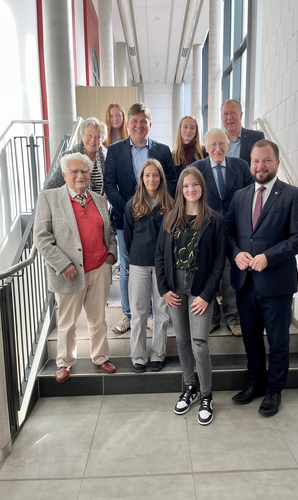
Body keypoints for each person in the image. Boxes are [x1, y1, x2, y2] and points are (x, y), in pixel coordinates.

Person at [226, 139, 298, 416]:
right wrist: (236, 253)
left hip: (276, 283)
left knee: (278, 341)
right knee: (250, 338)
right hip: (245, 283)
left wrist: (268, 257)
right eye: (255, 161)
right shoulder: (239, 196)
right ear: (250, 164)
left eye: (266, 160)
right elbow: (228, 234)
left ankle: (274, 390)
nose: (260, 166)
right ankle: (256, 382)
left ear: (277, 162)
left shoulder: (293, 195)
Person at [34, 153, 117, 382]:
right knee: (67, 321)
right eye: (74, 171)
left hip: (99, 268)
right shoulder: (49, 198)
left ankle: (100, 357)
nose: (80, 175)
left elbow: (108, 230)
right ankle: (64, 362)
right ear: (63, 174)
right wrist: (63, 265)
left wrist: (111, 253)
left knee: (97, 318)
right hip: (69, 273)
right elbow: (41, 238)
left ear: (90, 174)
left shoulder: (99, 200)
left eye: (85, 171)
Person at [155, 167, 226, 425]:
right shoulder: (170, 219)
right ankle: (190, 388)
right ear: (180, 189)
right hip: (175, 289)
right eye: (186, 186)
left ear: (201, 187)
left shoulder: (214, 220)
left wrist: (208, 296)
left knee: (199, 344)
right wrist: (164, 289)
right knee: (182, 341)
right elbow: (160, 257)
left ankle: (206, 395)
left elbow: (219, 262)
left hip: (200, 291)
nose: (190, 189)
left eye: (195, 185)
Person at [104, 102, 178, 334]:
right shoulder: (115, 151)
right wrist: (130, 209)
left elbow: (173, 183)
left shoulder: (162, 151)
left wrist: (159, 209)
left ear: (149, 124)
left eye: (142, 122)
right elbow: (109, 185)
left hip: (159, 223)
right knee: (127, 267)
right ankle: (129, 314)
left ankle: (153, 315)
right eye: (134, 122)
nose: (138, 126)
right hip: (125, 221)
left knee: (157, 265)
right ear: (128, 124)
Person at [192, 128, 253, 336]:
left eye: (221, 144)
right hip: (206, 231)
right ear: (206, 148)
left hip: (234, 229)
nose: (217, 149)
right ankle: (214, 317)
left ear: (228, 146)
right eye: (213, 145)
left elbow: (251, 197)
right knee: (208, 274)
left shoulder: (241, 166)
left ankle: (233, 317)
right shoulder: (196, 169)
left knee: (230, 274)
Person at [124, 159, 174, 373]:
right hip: (139, 265)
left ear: (161, 178)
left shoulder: (171, 205)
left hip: (163, 266)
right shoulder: (132, 204)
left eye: (155, 175)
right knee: (138, 312)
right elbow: (128, 237)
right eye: (147, 175)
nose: (151, 179)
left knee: (162, 312)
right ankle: (138, 356)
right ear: (141, 178)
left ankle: (158, 355)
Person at [44, 117, 108, 195]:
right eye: (89, 135)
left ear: (103, 139)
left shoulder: (108, 158)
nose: (93, 140)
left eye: (98, 137)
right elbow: (51, 186)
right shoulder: (69, 158)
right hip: (75, 205)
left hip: (101, 205)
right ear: (82, 135)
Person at [103, 103, 129, 279]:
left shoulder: (130, 140)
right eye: (111, 116)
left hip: (124, 198)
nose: (115, 119)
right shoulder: (104, 144)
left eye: (118, 115)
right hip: (111, 199)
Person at [221, 99, 265, 165]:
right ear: (221, 118)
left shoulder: (256, 138)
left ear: (241, 115)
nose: (229, 117)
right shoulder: (217, 143)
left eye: (233, 113)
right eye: (225, 114)